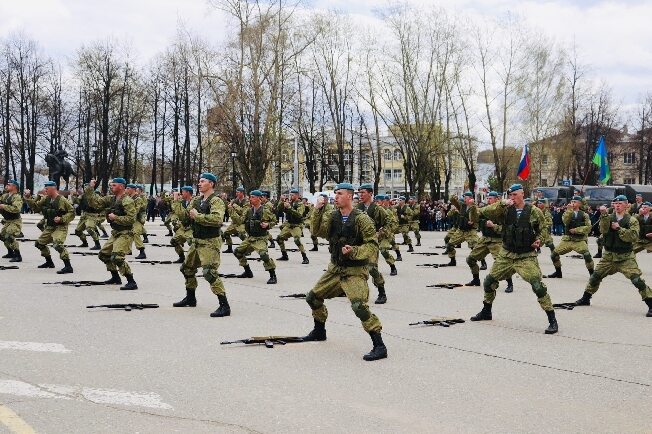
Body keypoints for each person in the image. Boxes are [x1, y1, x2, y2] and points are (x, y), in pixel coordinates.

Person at [301, 183, 387, 361]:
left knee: (359, 307)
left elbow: (372, 245)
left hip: (354, 270)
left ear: (349, 196)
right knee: (313, 297)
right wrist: (317, 210)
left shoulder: (361, 219)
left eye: (339, 194)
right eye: (335, 194)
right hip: (335, 269)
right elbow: (316, 231)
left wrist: (354, 251)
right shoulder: (333, 216)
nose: (336, 197)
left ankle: (379, 345)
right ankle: (319, 330)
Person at [470, 184, 558, 334]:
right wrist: (500, 204)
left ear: (522, 194)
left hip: (526, 255)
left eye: (515, 195)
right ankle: (486, 310)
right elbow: (479, 214)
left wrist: (539, 240)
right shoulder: (504, 210)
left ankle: (552, 319)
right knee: (489, 282)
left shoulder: (534, 212)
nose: (512, 198)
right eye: (510, 196)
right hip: (506, 253)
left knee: (537, 286)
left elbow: (544, 229)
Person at [575, 195, 652, 317]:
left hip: (625, 256)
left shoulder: (632, 220)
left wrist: (619, 228)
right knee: (595, 277)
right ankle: (586, 298)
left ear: (627, 205)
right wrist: (604, 215)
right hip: (609, 256)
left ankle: (650, 304)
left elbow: (633, 237)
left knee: (637, 280)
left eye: (620, 204)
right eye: (615, 204)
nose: (617, 206)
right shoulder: (609, 217)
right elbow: (603, 230)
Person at [172, 173, 230, 317]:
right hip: (197, 240)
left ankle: (224, 305)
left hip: (210, 241)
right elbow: (185, 219)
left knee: (209, 272)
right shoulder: (196, 200)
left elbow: (217, 219)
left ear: (211, 184)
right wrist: (176, 202)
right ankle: (190, 298)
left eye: (202, 181)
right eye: (199, 181)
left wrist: (197, 216)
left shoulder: (216, 201)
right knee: (187, 268)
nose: (199, 183)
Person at [85, 178, 138, 290]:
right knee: (103, 255)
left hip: (126, 233)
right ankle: (115, 277)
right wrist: (90, 188)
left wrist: (116, 218)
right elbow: (95, 203)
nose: (111, 187)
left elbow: (131, 219)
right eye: (111, 185)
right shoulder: (111, 199)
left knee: (117, 257)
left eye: (114, 185)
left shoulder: (127, 201)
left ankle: (131, 281)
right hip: (116, 233)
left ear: (121, 187)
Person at [466, 191, 514, 292]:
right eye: (487, 198)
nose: (488, 200)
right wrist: (473, 206)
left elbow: (506, 227)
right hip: (485, 239)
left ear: (497, 199)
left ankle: (510, 283)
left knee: (502, 262)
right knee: (470, 259)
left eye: (490, 198)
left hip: (497, 240)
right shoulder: (485, 210)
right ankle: (476, 279)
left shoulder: (503, 210)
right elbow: (474, 218)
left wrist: (494, 226)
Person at [24, 181, 75, 274]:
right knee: (39, 244)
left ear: (54, 188)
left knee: (57, 244)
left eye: (47, 188)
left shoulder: (62, 200)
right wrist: (28, 198)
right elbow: (35, 208)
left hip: (60, 227)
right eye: (45, 188)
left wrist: (62, 218)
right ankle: (49, 262)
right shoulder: (46, 199)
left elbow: (72, 212)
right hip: (50, 226)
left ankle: (68, 266)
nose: (45, 190)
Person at [232, 190, 277, 284]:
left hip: (261, 238)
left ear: (259, 198)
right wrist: (231, 210)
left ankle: (273, 275)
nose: (250, 199)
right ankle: (248, 271)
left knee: (263, 255)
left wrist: (268, 225)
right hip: (250, 238)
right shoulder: (249, 211)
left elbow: (274, 221)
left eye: (252, 197)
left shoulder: (265, 210)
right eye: (250, 197)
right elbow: (240, 221)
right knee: (237, 252)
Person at [357, 184, 391, 304]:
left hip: (371, 242)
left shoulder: (377, 209)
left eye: (363, 192)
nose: (360, 195)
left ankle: (382, 292)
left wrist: (379, 234)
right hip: (358, 243)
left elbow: (388, 223)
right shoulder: (357, 208)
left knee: (371, 268)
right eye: (359, 193)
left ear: (370, 193)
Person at [547, 196, 594, 278]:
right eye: (571, 201)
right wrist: (569, 211)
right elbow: (565, 221)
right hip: (567, 239)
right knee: (554, 255)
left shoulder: (584, 215)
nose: (572, 203)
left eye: (575, 202)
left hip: (579, 240)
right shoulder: (567, 212)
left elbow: (588, 227)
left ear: (579, 204)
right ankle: (558, 272)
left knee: (587, 255)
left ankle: (592, 275)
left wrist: (577, 230)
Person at [445, 192, 480, 267]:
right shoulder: (462, 206)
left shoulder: (475, 207)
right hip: (461, 230)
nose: (464, 199)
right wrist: (453, 196)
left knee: (476, 247)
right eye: (464, 198)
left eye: (466, 198)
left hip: (470, 231)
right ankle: (452, 260)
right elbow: (453, 201)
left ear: (471, 198)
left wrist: (473, 205)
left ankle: (483, 263)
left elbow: (477, 216)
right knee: (449, 245)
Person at [276, 188, 309, 264]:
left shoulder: (300, 204)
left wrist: (290, 208)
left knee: (297, 240)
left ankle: (305, 257)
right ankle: (284, 255)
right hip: (289, 225)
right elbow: (279, 210)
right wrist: (281, 201)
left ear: (297, 195)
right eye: (290, 195)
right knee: (279, 239)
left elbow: (299, 215)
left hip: (296, 225)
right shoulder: (289, 203)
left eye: (292, 195)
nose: (290, 196)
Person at [71, 185, 102, 250]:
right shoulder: (82, 196)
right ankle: (85, 242)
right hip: (84, 215)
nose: (85, 189)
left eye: (86, 187)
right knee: (78, 231)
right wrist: (73, 195)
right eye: (84, 188)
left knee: (89, 229)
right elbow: (76, 202)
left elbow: (99, 205)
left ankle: (97, 244)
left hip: (91, 215)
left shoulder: (96, 196)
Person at [0, 179, 23, 262]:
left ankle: (18, 255)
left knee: (9, 236)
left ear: (14, 187)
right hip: (7, 220)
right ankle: (10, 252)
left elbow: (16, 209)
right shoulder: (5, 196)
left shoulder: (17, 197)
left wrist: (4, 206)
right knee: (2, 236)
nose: (7, 186)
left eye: (9, 184)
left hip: (15, 221)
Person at [170, 186, 194, 263]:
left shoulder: (194, 202)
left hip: (191, 227)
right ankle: (181, 256)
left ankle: (196, 259)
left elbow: (184, 215)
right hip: (183, 226)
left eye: (183, 192)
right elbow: (176, 212)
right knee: (174, 241)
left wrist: (176, 200)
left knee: (193, 243)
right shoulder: (182, 202)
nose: (181, 193)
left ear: (188, 192)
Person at [223, 187, 248, 254]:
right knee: (226, 233)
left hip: (242, 222)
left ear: (242, 193)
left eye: (238, 192)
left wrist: (234, 206)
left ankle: (247, 249)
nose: (236, 194)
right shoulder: (235, 200)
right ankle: (229, 248)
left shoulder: (246, 202)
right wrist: (226, 202)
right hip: (234, 221)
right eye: (236, 192)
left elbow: (243, 211)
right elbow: (228, 206)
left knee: (242, 234)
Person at [126, 184, 147, 260]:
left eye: (128, 188)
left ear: (133, 189)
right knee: (129, 234)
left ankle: (142, 252)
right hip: (130, 219)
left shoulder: (138, 199)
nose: (126, 189)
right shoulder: (129, 197)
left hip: (136, 219)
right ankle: (128, 250)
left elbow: (136, 210)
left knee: (135, 233)